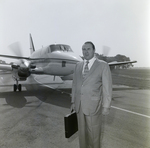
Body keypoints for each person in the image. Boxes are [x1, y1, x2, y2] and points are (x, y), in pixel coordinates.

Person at [71, 41, 112, 148]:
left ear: (94, 51)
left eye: (88, 49)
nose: (86, 52)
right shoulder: (78, 66)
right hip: (79, 106)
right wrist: (73, 101)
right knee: (82, 135)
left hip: (94, 106)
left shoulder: (103, 65)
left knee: (94, 135)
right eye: (83, 49)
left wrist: (106, 106)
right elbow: (75, 85)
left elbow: (107, 87)